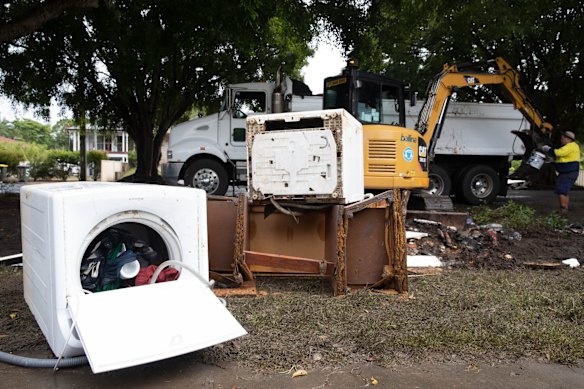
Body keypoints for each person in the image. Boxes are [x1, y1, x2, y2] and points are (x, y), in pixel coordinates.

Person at [542, 131, 581, 212]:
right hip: (568, 172)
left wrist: (548, 149)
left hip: (568, 173)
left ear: (568, 139)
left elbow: (559, 153)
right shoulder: (570, 146)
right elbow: (562, 158)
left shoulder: (571, 146)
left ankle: (563, 209)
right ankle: (564, 208)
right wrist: (552, 161)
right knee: (564, 191)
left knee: (561, 190)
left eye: (562, 138)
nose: (561, 140)